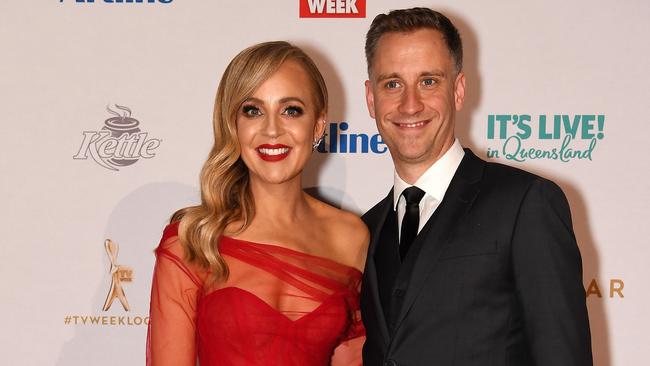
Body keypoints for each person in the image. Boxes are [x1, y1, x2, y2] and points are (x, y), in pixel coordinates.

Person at [359, 8, 593, 366]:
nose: (410, 104)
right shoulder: (365, 229)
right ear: (371, 99)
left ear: (458, 90)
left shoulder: (524, 205)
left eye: (428, 81)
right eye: (392, 84)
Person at [147, 41, 368, 366]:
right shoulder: (193, 240)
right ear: (233, 125)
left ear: (318, 126)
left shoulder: (350, 236)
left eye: (291, 110)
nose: (272, 129)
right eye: (253, 110)